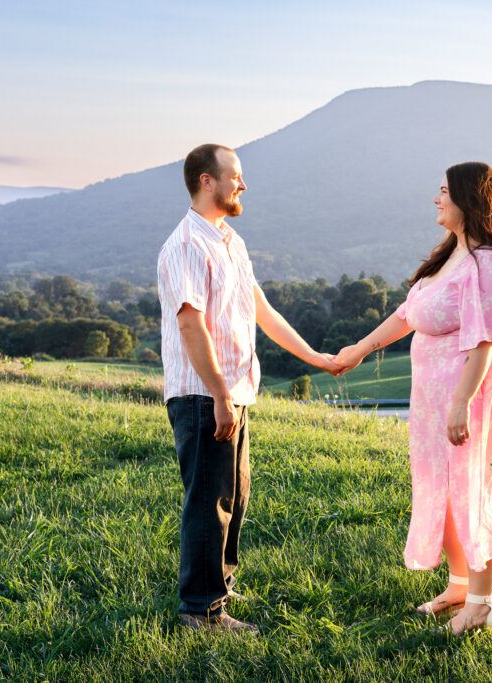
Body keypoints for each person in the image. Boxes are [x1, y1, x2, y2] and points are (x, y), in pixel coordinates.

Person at [335, 161, 492, 634]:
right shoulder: (452, 254)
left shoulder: (488, 263)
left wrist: (461, 403)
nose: (436, 199)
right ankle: (459, 586)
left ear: (469, 198)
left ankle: (483, 605)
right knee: (439, 484)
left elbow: (485, 342)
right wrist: (359, 350)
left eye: (444, 191)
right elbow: (409, 314)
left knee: (470, 485)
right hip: (435, 388)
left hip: (473, 386)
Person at [158, 143, 342, 633]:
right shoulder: (187, 245)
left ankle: (219, 586)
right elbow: (191, 326)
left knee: (234, 497)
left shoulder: (229, 240)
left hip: (232, 392)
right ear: (207, 181)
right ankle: (201, 610)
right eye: (235, 175)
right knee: (209, 503)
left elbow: (262, 309)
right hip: (203, 394)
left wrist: (316, 358)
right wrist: (219, 394)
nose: (243, 184)